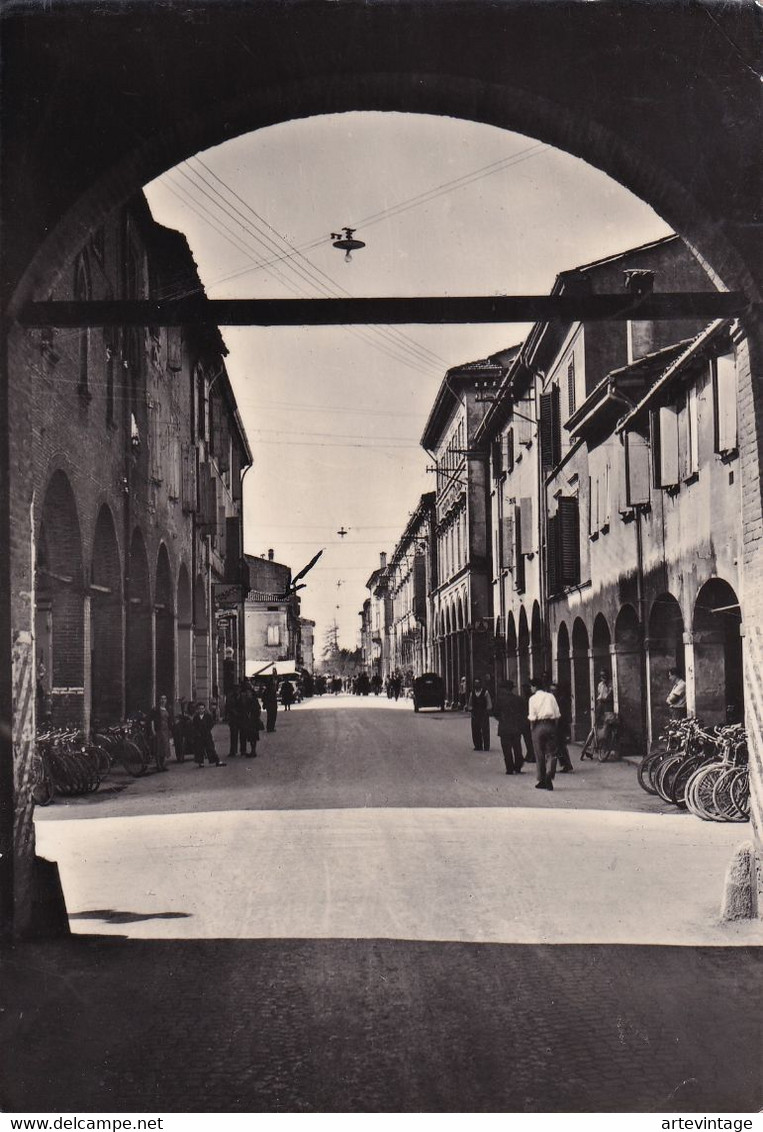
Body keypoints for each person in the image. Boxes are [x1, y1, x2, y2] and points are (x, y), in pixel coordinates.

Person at [527, 676, 561, 790]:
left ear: (535, 687)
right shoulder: (551, 696)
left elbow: (532, 717)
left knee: (539, 754)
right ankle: (549, 775)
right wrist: (554, 728)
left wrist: (533, 730)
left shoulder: (532, 699)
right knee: (552, 753)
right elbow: (557, 715)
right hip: (551, 725)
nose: (530, 689)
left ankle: (541, 779)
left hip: (538, 726)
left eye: (531, 686)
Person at [492, 679, 527, 774]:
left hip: (504, 727)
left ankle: (509, 768)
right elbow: (524, 713)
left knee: (506, 749)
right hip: (516, 727)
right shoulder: (519, 699)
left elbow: (495, 713)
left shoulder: (499, 700)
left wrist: (501, 719)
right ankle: (518, 767)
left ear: (504, 689)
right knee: (517, 747)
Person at [192, 701, 225, 768]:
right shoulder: (196, 717)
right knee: (199, 749)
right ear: (197, 710)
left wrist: (207, 729)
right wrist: (197, 732)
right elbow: (194, 726)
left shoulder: (208, 716)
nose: (201, 710)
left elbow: (211, 724)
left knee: (210, 748)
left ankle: (217, 761)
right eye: (199, 709)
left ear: (204, 709)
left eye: (202, 708)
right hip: (199, 735)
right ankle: (200, 762)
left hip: (207, 734)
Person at [549, 681, 573, 773]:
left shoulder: (560, 700)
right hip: (558, 725)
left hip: (560, 726)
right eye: (551, 690)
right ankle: (565, 764)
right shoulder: (555, 700)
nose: (552, 692)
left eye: (554, 690)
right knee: (559, 746)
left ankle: (566, 764)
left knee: (560, 746)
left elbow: (562, 715)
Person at [149, 694, 172, 772]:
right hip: (159, 730)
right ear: (159, 700)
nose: (163, 700)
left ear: (166, 700)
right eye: (161, 698)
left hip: (166, 730)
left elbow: (169, 720)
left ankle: (162, 765)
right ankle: (158, 765)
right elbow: (152, 720)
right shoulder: (156, 709)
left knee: (164, 748)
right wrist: (153, 730)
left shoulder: (167, 709)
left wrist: (170, 730)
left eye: (164, 698)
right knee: (158, 748)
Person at [468, 677, 492, 751]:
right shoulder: (472, 693)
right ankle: (478, 746)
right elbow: (470, 703)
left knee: (485, 730)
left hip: (483, 713)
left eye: (478, 683)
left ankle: (486, 746)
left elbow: (489, 703)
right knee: (475, 730)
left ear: (480, 684)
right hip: (475, 714)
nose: (477, 684)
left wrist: (487, 710)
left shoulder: (485, 692)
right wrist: (471, 709)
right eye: (475, 683)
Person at [225, 684, 242, 757]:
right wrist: (232, 712)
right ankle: (233, 750)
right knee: (233, 735)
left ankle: (242, 750)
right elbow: (228, 706)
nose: (237, 690)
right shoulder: (230, 697)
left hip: (241, 718)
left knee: (242, 735)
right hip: (233, 718)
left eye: (238, 689)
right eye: (236, 689)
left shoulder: (242, 696)